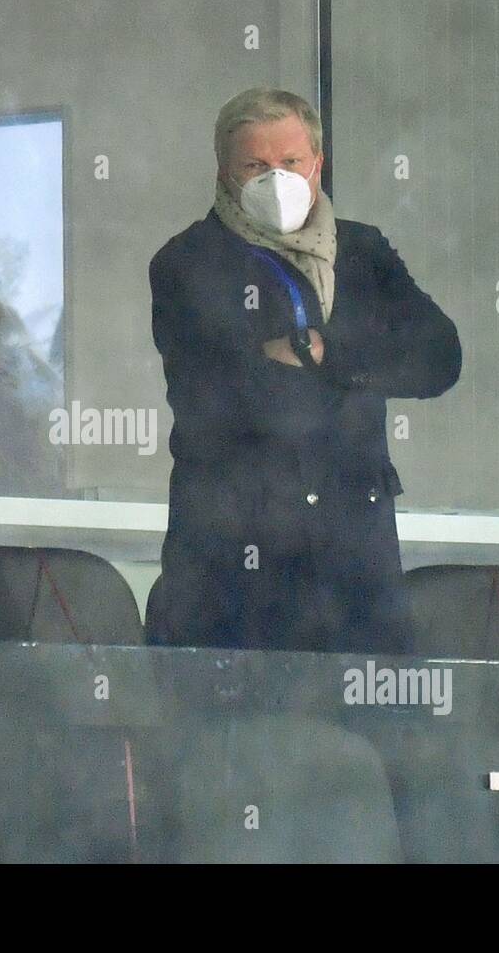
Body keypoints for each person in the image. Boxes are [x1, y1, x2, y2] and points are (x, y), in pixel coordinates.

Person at [148, 88, 461, 654]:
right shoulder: (186, 262)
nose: (276, 179)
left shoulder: (362, 251)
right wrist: (364, 359)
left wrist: (323, 351)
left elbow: (439, 357)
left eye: (290, 163)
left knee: (383, 729)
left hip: (357, 563)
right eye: (255, 166)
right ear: (224, 170)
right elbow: (226, 396)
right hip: (235, 564)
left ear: (317, 164)